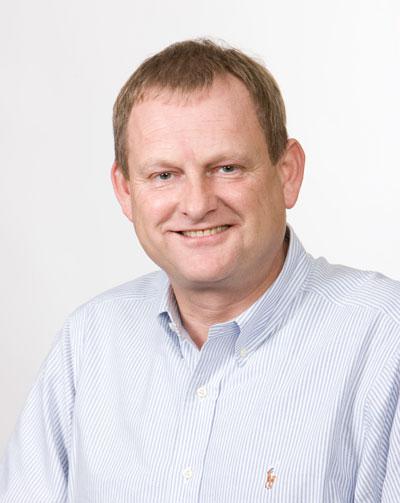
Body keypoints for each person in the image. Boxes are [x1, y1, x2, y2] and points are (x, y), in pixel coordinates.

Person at [1, 39, 399, 503]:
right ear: (126, 191)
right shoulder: (89, 341)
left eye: (227, 168)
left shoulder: (384, 338)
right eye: (163, 175)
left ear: (287, 173)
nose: (196, 204)